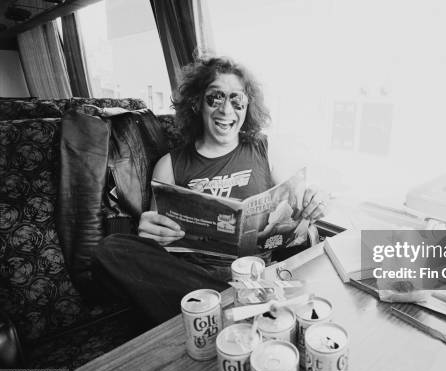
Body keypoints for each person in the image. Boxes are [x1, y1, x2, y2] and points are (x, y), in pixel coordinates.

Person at [92, 56, 327, 325]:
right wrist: (151, 234)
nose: (227, 110)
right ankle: (234, 307)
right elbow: (158, 240)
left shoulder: (265, 150)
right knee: (110, 250)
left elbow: (296, 204)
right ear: (196, 103)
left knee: (311, 234)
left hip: (258, 275)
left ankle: (224, 311)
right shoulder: (169, 165)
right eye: (215, 98)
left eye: (237, 100)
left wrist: (313, 201)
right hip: (193, 282)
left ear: (247, 106)